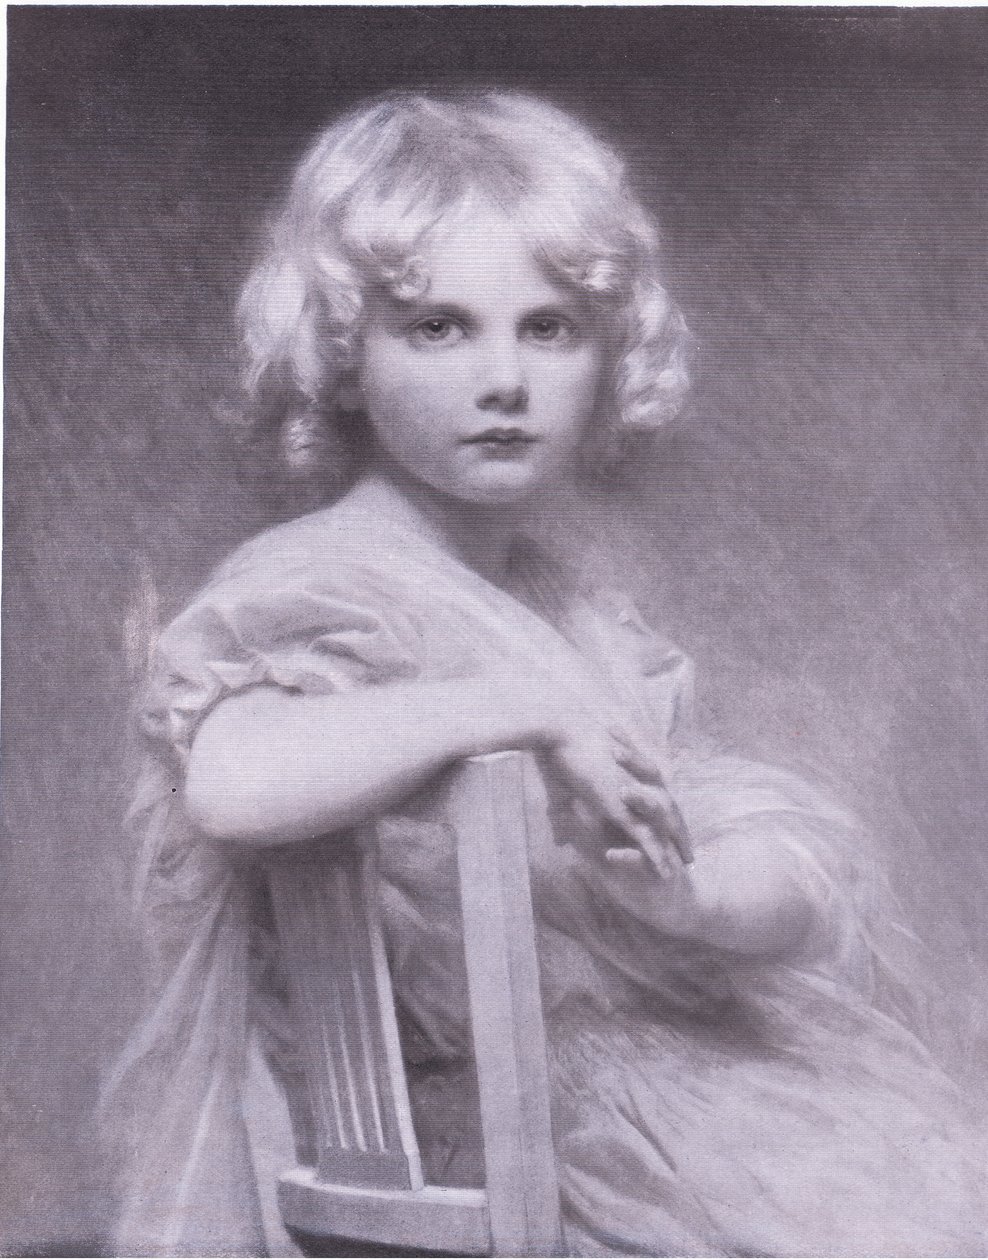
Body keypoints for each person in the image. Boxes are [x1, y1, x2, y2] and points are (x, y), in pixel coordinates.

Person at [104, 90, 988, 1257]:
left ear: (611, 357)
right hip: (486, 1131)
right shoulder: (319, 583)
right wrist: (517, 706)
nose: (504, 381)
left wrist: (684, 899)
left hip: (642, 1097)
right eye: (439, 328)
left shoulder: (569, 614)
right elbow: (232, 782)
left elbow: (744, 844)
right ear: (345, 355)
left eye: (550, 329)